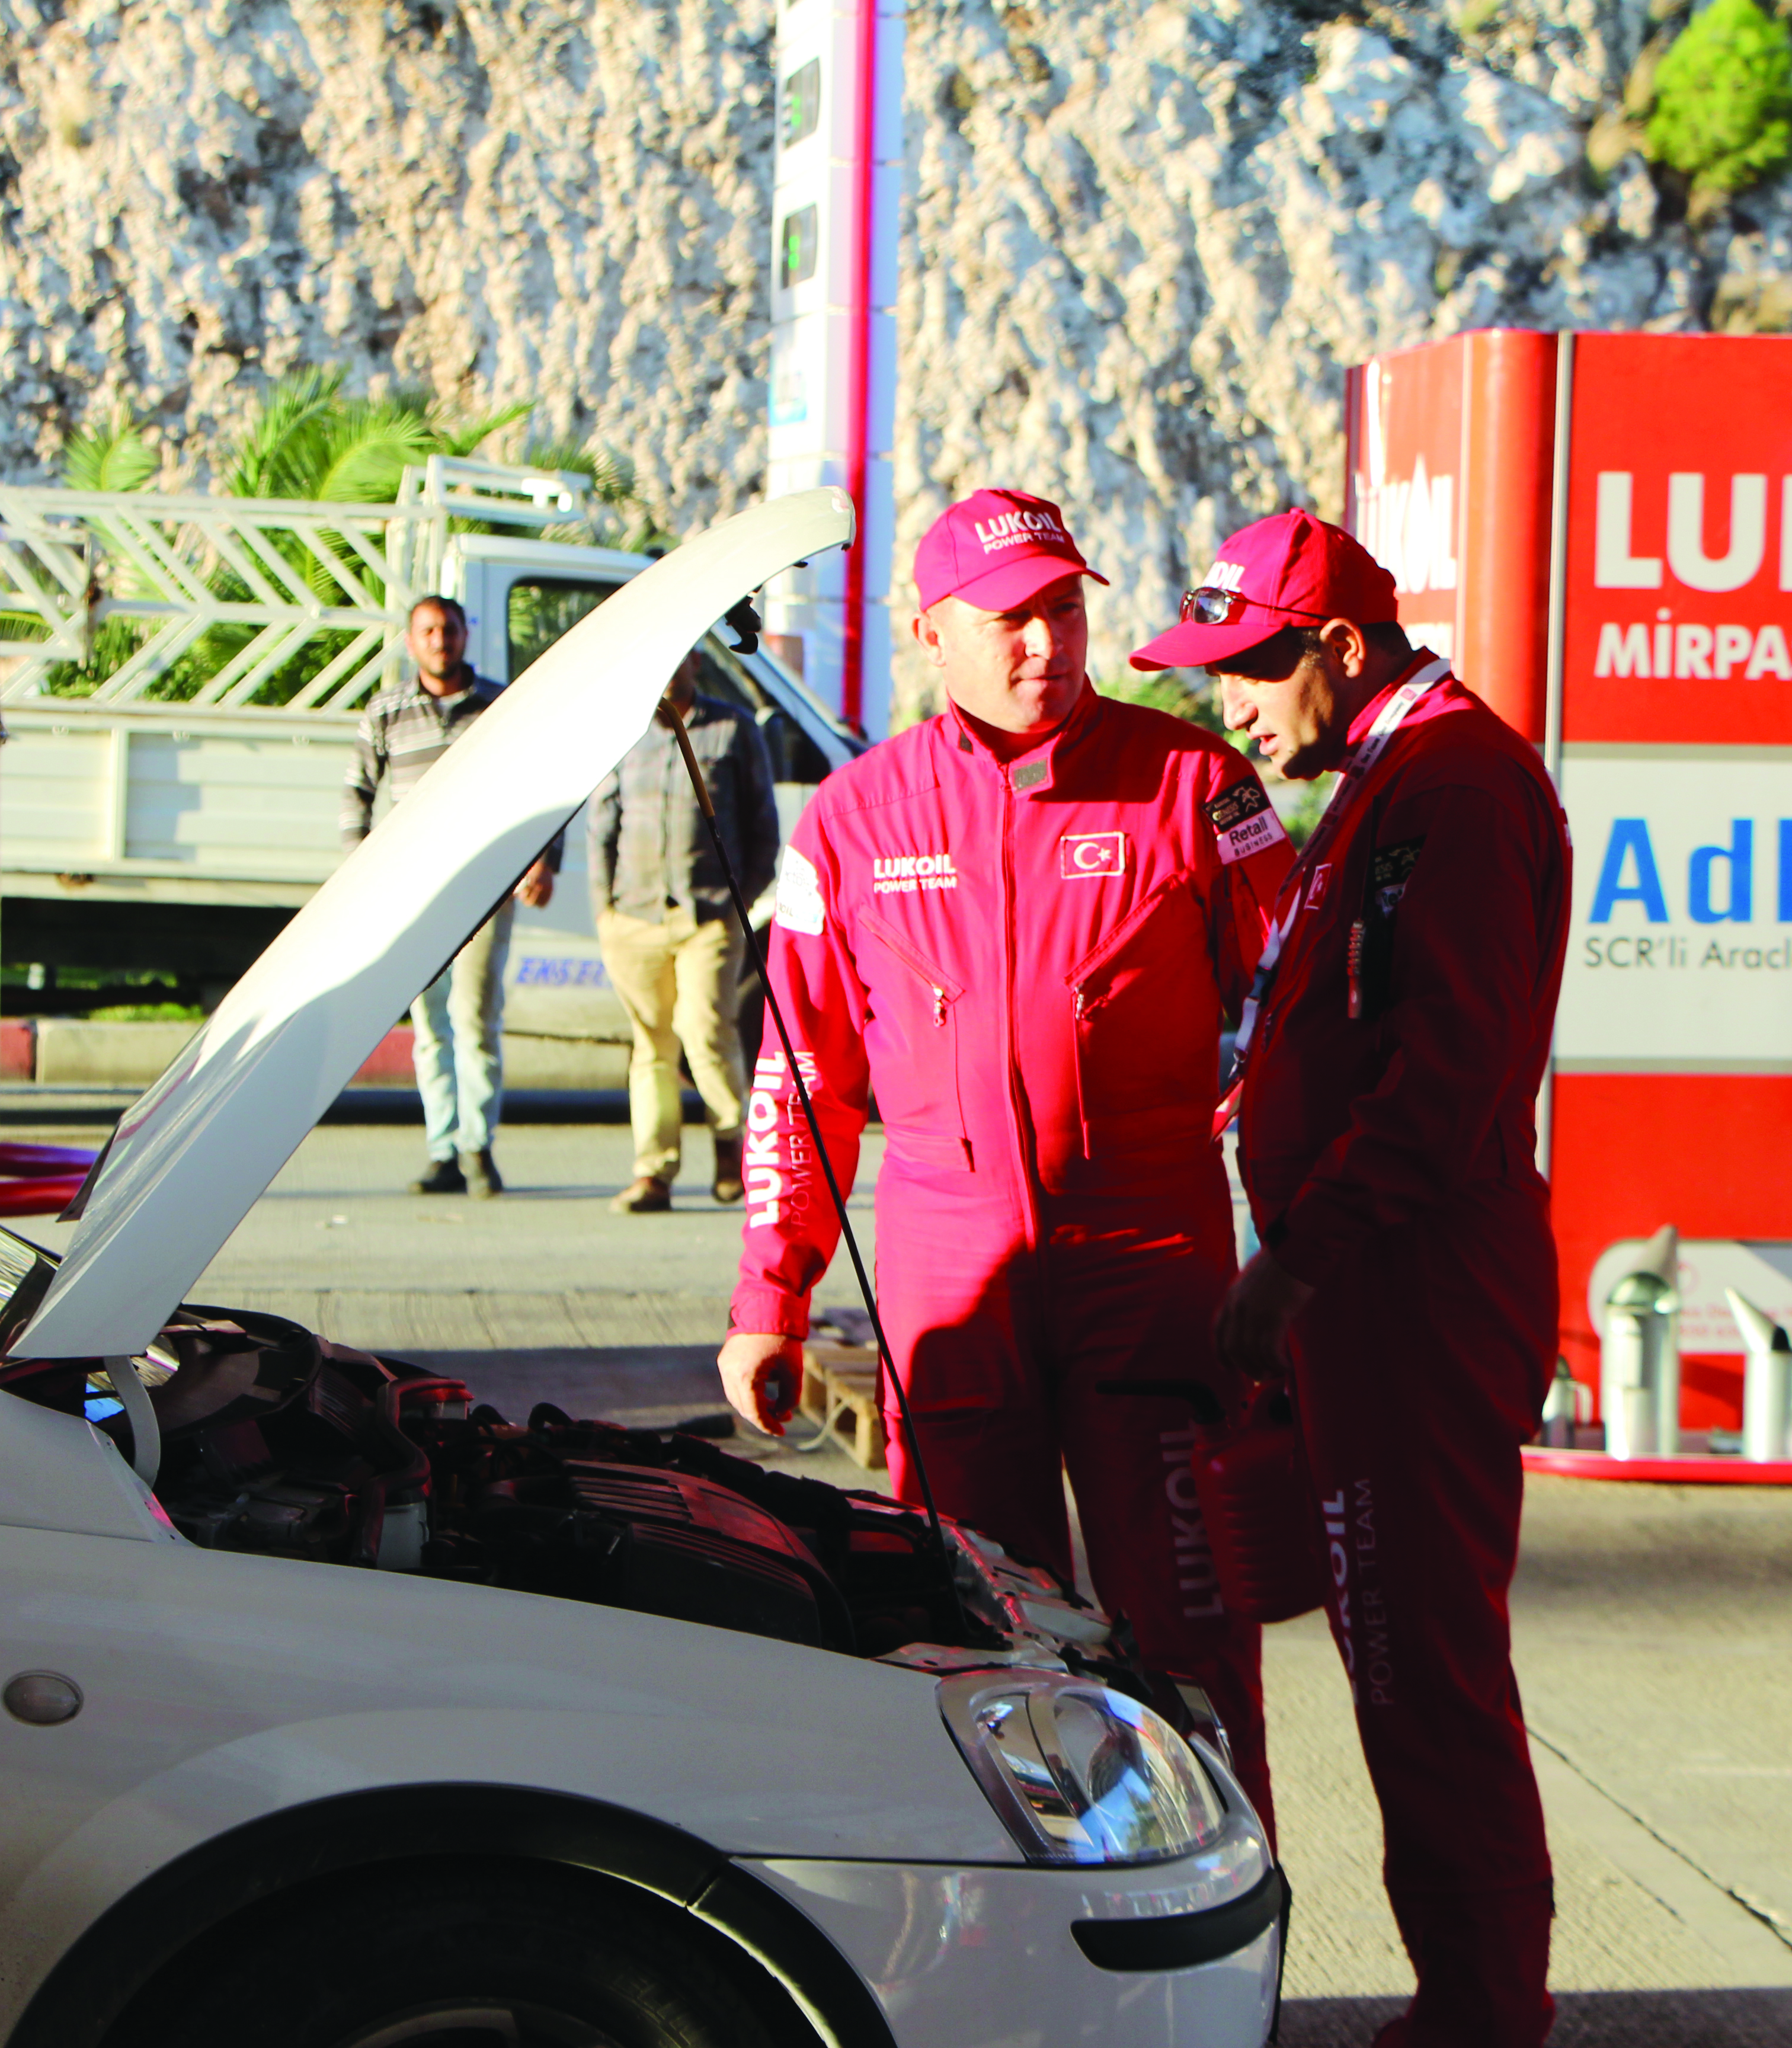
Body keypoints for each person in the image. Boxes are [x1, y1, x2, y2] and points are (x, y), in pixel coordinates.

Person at [715, 488, 1298, 1819]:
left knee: (1192, 1639)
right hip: (949, 1275)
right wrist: (774, 1294)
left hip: (1152, 1264)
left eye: (1066, 609)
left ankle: (1224, 1925)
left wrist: (1298, 1248)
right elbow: (801, 1078)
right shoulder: (853, 819)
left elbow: (1294, 1016)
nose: (1046, 644)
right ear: (930, 632)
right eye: (1010, 620)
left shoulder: (1199, 784)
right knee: (972, 1639)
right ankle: (1010, 1946)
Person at [1150, 509, 1569, 2048]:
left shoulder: (1451, 788)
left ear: (1339, 646)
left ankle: (1480, 2015)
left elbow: (1441, 1084)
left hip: (1411, 1293)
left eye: (1250, 670)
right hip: (1377, 1294)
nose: (1229, 708)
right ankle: (1467, 2001)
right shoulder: (1396, 779)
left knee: (1424, 1669)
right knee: (1398, 1663)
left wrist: (1298, 1262)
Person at [343, 595, 556, 1198]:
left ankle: (477, 1146)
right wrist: (361, 874)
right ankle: (441, 1148)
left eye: (451, 629)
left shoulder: (500, 705)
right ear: (411, 642)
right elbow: (356, 793)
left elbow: (546, 785)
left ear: (467, 635)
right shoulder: (386, 712)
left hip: (484, 889)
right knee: (430, 1025)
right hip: (413, 895)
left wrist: (543, 858)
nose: (440, 641)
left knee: (475, 1019)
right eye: (429, 631)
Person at [585, 650, 780, 1214]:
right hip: (634, 916)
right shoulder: (621, 733)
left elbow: (763, 825)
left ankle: (729, 1144)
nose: (669, 668)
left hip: (709, 916)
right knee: (651, 1045)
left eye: (680, 656)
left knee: (705, 1030)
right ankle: (654, 1172)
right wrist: (605, 910)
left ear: (697, 660)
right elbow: (603, 826)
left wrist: (741, 898)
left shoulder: (733, 729)